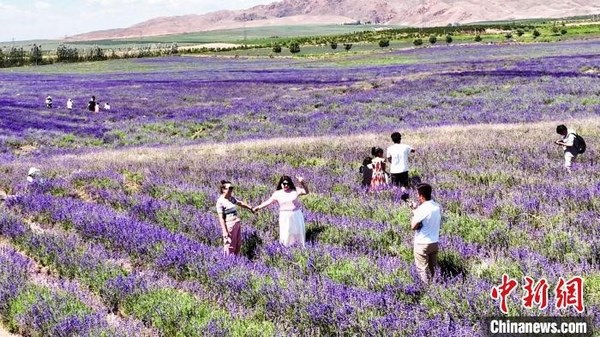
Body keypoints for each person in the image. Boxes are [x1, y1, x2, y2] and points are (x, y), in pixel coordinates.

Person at [253, 176, 309, 247]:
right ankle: (286, 249)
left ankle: (299, 247)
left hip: (296, 215)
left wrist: (302, 183)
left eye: (287, 184)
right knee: (286, 233)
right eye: (284, 184)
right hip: (284, 216)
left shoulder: (295, 190)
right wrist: (258, 207)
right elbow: (268, 202)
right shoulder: (277, 193)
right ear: (281, 184)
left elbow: (306, 192)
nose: (286, 185)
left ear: (290, 183)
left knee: (298, 232)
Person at [410, 183, 441, 284]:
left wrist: (415, 213)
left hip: (422, 244)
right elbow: (427, 219)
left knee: (422, 269)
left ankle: (426, 290)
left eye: (418, 195)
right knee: (433, 269)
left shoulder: (423, 208)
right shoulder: (437, 206)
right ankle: (436, 288)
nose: (417, 197)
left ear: (422, 196)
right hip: (434, 242)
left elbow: (413, 226)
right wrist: (415, 209)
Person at [215, 180, 254, 256]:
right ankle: (228, 263)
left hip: (236, 224)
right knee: (229, 246)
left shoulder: (231, 198)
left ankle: (235, 262)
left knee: (237, 244)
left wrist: (250, 208)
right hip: (229, 225)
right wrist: (225, 231)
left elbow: (240, 203)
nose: (231, 190)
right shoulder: (220, 202)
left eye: (232, 188)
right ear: (223, 189)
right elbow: (221, 218)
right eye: (229, 188)